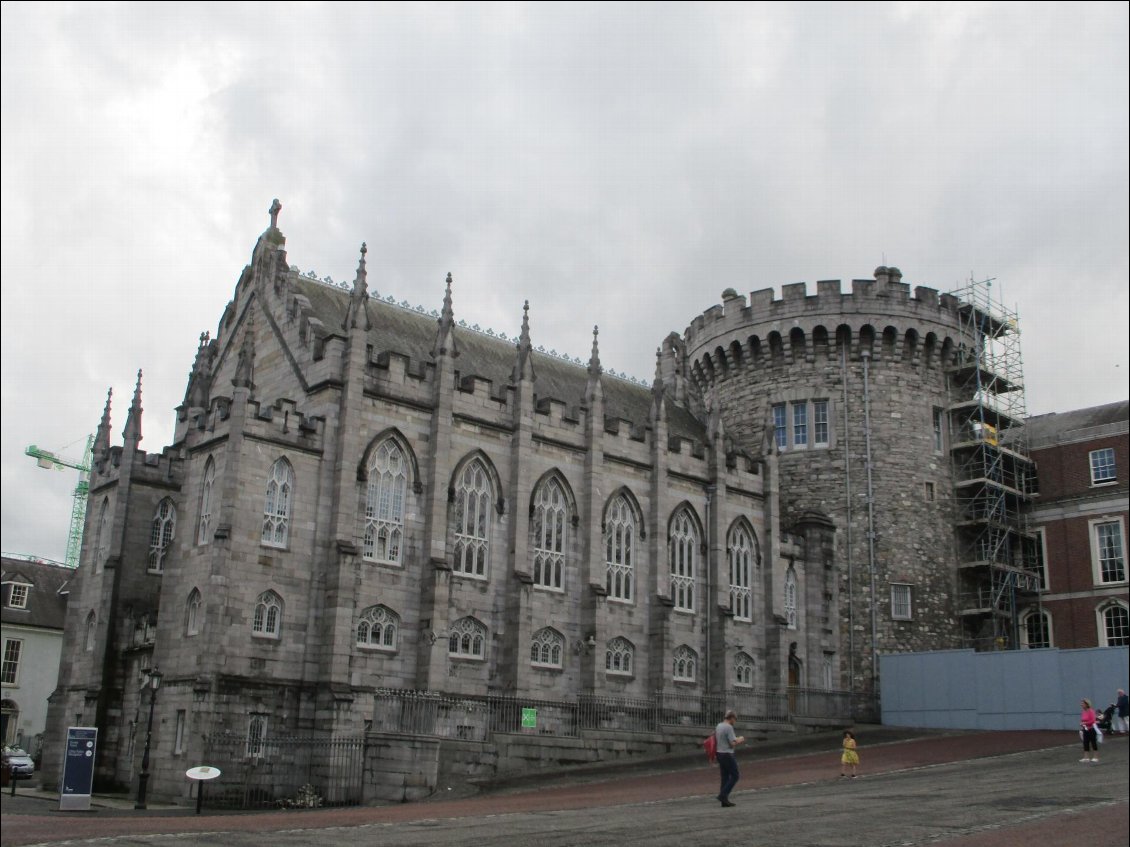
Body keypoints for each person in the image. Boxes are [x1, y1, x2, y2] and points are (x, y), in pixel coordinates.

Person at [714, 709, 746, 807]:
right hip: (727, 754)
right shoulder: (728, 727)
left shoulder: (719, 726)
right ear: (731, 718)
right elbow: (732, 743)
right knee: (735, 775)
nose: (735, 721)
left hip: (719, 753)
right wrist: (740, 739)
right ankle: (723, 795)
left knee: (725, 777)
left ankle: (724, 801)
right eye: (735, 719)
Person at [1079, 698, 1099, 763]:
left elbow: (1093, 720)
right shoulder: (1083, 712)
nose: (1081, 705)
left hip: (1091, 729)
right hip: (1085, 729)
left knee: (1093, 743)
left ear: (1086, 704)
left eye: (1082, 703)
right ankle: (1086, 757)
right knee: (1085, 743)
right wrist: (1082, 723)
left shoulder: (1091, 711)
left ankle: (1095, 757)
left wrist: (1085, 723)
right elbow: (1082, 719)